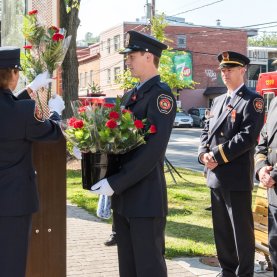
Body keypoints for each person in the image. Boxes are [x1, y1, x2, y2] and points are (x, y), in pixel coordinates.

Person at [90, 30, 176, 277]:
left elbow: (152, 152)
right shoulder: (131, 95)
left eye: (131, 56)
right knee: (127, 268)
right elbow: (117, 141)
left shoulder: (161, 96)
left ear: (149, 57)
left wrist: (115, 183)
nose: (127, 61)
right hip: (125, 199)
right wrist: (91, 155)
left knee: (148, 268)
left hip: (146, 199)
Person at [198, 51, 265, 277]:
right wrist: (203, 154)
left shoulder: (251, 100)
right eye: (223, 70)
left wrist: (216, 155)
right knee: (223, 230)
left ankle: (243, 273)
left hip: (235, 176)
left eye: (230, 69)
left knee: (240, 231)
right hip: (215, 175)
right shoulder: (217, 100)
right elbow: (206, 131)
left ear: (242, 70)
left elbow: (247, 137)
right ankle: (227, 270)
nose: (225, 73)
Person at [0, 46, 64, 277]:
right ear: (13, 74)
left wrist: (30, 89)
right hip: (13, 205)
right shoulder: (23, 112)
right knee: (10, 266)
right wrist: (56, 112)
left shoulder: (18, 110)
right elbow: (51, 132)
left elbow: (8, 111)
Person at [255, 97, 277, 276]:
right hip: (274, 194)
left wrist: (274, 174)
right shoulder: (275, 102)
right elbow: (263, 142)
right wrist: (261, 169)